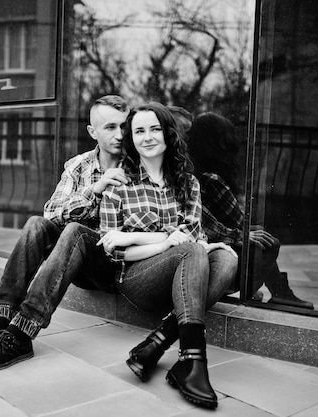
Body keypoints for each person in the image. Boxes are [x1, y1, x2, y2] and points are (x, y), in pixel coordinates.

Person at [0, 95, 130, 371]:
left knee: (75, 230)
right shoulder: (79, 166)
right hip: (72, 263)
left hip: (110, 266)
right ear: (92, 132)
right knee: (36, 224)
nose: (120, 135)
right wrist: (93, 191)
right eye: (110, 127)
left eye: (124, 126)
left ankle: (23, 332)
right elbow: (52, 211)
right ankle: (1, 323)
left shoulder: (136, 167)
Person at [98, 102, 232, 409]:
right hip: (137, 278)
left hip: (182, 275)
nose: (147, 137)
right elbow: (113, 250)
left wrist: (132, 235)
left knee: (228, 259)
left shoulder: (188, 183)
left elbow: (190, 235)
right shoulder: (119, 182)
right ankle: (191, 359)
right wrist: (163, 243)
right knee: (193, 249)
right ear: (131, 139)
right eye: (139, 131)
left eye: (155, 129)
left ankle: (163, 347)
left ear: (168, 134)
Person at [189, 112, 313, 309]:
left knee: (260, 235)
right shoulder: (211, 179)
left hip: (212, 250)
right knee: (268, 244)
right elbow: (239, 222)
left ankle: (281, 292)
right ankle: (271, 293)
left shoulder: (197, 174)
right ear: (221, 145)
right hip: (217, 258)